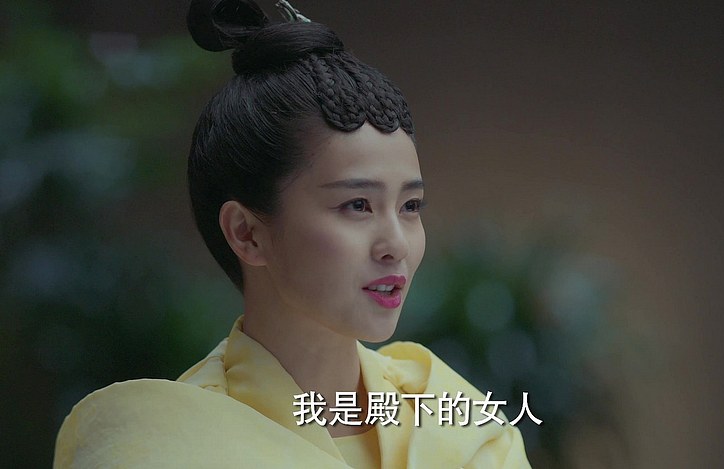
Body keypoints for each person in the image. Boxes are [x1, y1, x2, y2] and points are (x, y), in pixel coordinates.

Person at [54, 1, 531, 467]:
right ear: (247, 233)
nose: (397, 246)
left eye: (410, 206)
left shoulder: (462, 429)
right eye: (357, 205)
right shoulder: (163, 447)